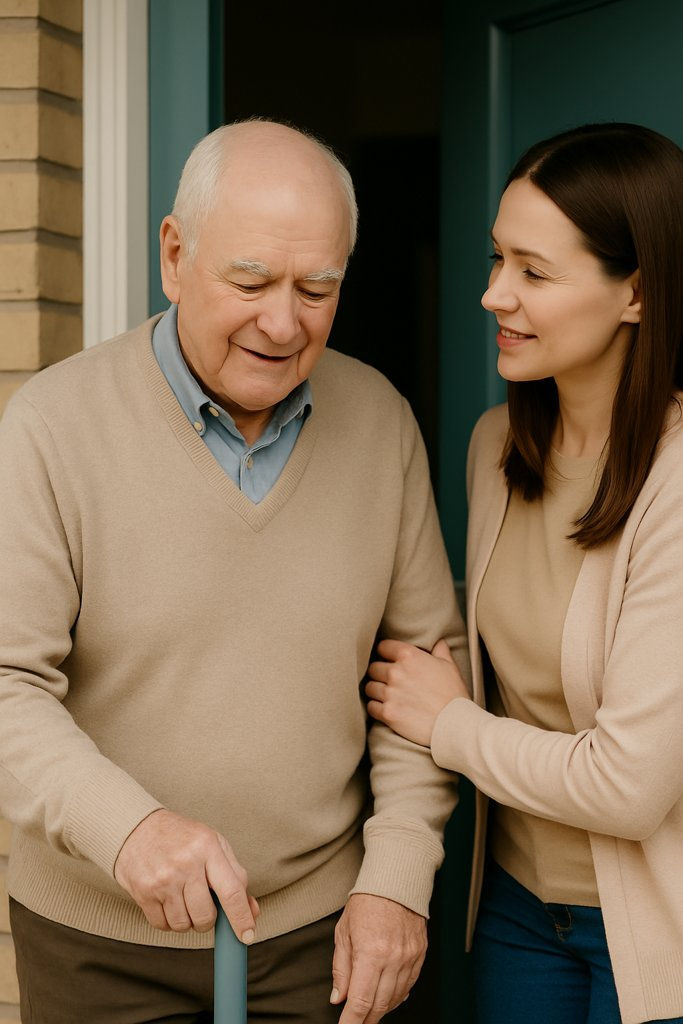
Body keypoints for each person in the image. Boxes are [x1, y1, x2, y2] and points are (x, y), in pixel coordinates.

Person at [0, 120, 468, 1024]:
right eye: (250, 281)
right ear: (175, 257)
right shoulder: (51, 425)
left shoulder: (380, 422)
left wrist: (399, 880)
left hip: (321, 940)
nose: (283, 322)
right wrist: (127, 828)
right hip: (97, 945)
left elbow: (424, 684)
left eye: (316, 289)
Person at [365, 122, 683, 1024]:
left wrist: (450, 725)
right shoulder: (494, 446)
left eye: (533, 273)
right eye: (496, 258)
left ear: (635, 292)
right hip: (512, 911)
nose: (491, 293)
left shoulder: (675, 478)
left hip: (655, 931)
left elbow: (628, 786)